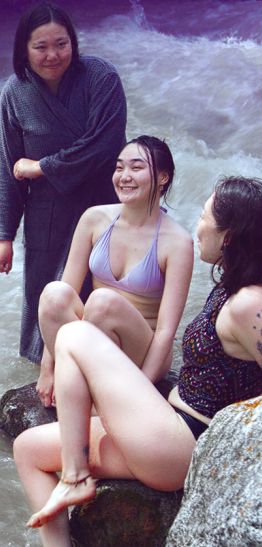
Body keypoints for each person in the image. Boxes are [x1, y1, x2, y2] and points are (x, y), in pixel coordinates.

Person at [13, 176, 262, 547]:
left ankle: (74, 477)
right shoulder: (234, 286)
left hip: (184, 443)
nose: (198, 224)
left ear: (229, 236)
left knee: (73, 334)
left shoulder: (249, 303)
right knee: (27, 449)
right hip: (167, 424)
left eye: (205, 216)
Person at [0, 2, 127, 364]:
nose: (52, 55)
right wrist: (5, 237)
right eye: (40, 47)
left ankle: (107, 374)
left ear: (74, 43)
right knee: (46, 303)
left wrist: (42, 167)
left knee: (102, 301)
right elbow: (9, 169)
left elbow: (106, 145)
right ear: (24, 49)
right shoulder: (15, 94)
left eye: (61, 44)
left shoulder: (100, 77)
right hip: (46, 215)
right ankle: (44, 378)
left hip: (103, 208)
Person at [35, 136, 194, 407]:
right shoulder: (94, 219)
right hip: (96, 333)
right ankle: (75, 380)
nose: (124, 176)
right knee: (54, 294)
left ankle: (99, 395)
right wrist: (46, 370)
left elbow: (167, 331)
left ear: (163, 177)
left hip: (142, 347)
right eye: (119, 168)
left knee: (101, 301)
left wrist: (141, 391)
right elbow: (68, 291)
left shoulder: (178, 242)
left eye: (136, 167)